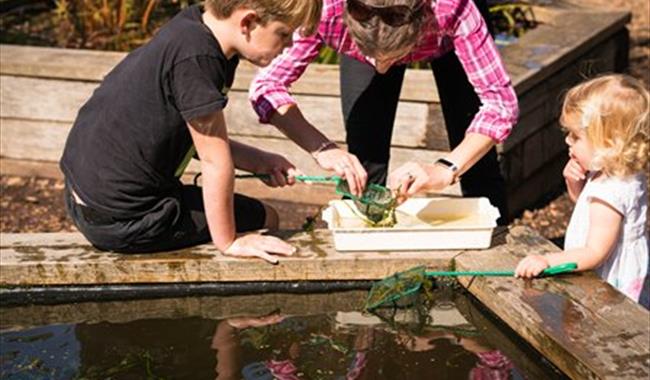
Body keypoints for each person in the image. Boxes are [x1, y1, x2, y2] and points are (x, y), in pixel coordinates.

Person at [60, 0, 322, 263]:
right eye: (284, 34)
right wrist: (230, 242)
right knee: (266, 219)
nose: (289, 45)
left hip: (90, 198)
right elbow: (214, 161)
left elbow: (190, 136)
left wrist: (259, 161)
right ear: (247, 22)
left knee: (251, 215)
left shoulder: (195, 28)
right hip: (127, 218)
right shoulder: (199, 60)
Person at [249, 0, 518, 221]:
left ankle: (494, 250)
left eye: (392, 58)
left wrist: (446, 169)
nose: (381, 69)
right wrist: (322, 148)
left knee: (477, 161)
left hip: (445, 38)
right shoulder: (324, 9)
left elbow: (500, 105)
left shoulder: (452, 7)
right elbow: (266, 85)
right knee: (364, 159)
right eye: (371, 56)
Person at [515, 74, 649, 309]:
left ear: (608, 143)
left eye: (576, 136)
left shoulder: (610, 192)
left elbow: (595, 252)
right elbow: (590, 215)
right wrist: (576, 186)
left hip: (608, 288)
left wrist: (547, 260)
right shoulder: (620, 173)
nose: (567, 141)